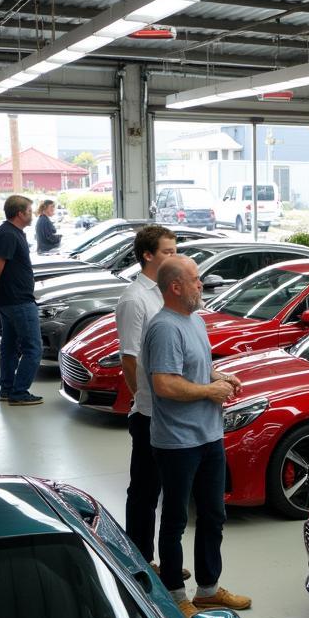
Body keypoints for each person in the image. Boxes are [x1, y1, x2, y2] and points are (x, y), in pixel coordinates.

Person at [141, 256, 251, 615]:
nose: (201, 284)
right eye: (195, 279)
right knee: (174, 520)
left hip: (208, 436)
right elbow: (164, 383)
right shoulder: (164, 327)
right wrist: (208, 391)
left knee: (213, 515)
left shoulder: (193, 321)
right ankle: (175, 594)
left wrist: (220, 376)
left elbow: (195, 367)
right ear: (176, 287)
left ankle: (207, 589)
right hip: (177, 443)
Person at [115, 225, 178, 572]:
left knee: (168, 489)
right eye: (168, 251)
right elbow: (130, 359)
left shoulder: (165, 292)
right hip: (150, 412)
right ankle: (139, 559)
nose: (174, 256)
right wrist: (145, 400)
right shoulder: (134, 299)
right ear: (148, 255)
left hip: (172, 411)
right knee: (143, 491)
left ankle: (164, 557)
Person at [0, 195, 42, 405]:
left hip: (11, 300)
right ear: (20, 213)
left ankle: (7, 389)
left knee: (10, 346)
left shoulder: (12, 233)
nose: (32, 214)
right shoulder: (8, 235)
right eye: (30, 210)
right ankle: (19, 392)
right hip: (17, 301)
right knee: (33, 348)